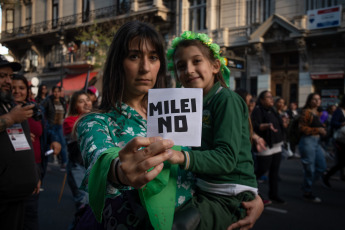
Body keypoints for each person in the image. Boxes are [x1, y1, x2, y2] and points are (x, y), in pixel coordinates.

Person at [75, 21, 263, 230]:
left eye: (153, 58)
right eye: (134, 56)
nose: (145, 67)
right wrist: (120, 170)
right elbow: (102, 156)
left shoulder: (185, 109)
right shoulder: (95, 121)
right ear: (118, 63)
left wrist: (245, 196)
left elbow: (221, 154)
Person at [166, 31, 258, 229]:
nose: (189, 70)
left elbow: (226, 158)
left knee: (177, 225)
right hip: (205, 190)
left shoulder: (226, 100)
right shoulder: (189, 103)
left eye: (196, 61)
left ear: (215, 66)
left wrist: (180, 157)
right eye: (181, 66)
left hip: (230, 196)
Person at [12, 74, 61, 229]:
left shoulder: (36, 109)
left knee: (30, 215)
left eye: (21, 88)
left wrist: (54, 140)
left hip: (37, 166)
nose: (17, 91)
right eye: (13, 88)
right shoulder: (5, 110)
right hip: (16, 170)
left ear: (27, 90)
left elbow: (46, 129)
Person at [0, 55, 38, 229]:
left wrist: (32, 173)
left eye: (10, 76)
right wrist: (10, 118)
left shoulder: (9, 103)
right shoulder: (10, 111)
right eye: (2, 76)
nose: (8, 81)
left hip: (18, 193)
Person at [251, 90, 286, 204]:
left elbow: (280, 125)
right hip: (265, 145)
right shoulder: (257, 110)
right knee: (261, 170)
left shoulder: (273, 110)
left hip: (276, 144)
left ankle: (274, 194)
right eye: (268, 97)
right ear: (261, 100)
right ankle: (249, 188)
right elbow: (254, 126)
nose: (271, 99)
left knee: (274, 172)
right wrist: (264, 126)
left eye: (272, 97)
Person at [298, 93, 327, 202]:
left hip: (316, 141)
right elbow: (302, 128)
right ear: (309, 101)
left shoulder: (318, 112)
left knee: (322, 167)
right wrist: (318, 130)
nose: (317, 101)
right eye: (314, 99)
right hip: (307, 141)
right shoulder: (306, 112)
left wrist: (322, 129)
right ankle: (307, 191)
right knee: (310, 168)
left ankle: (306, 184)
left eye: (318, 99)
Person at [41, 86, 68, 171]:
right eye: (55, 92)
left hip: (60, 125)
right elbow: (41, 108)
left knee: (62, 144)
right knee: (49, 144)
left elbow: (65, 112)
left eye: (58, 92)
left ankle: (64, 163)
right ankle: (46, 161)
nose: (56, 93)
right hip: (51, 125)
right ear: (52, 92)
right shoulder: (48, 100)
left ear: (60, 93)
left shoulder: (62, 101)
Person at [323, 97, 345, 188]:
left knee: (342, 162)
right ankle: (327, 176)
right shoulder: (339, 111)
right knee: (341, 162)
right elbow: (333, 123)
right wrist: (341, 124)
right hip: (340, 139)